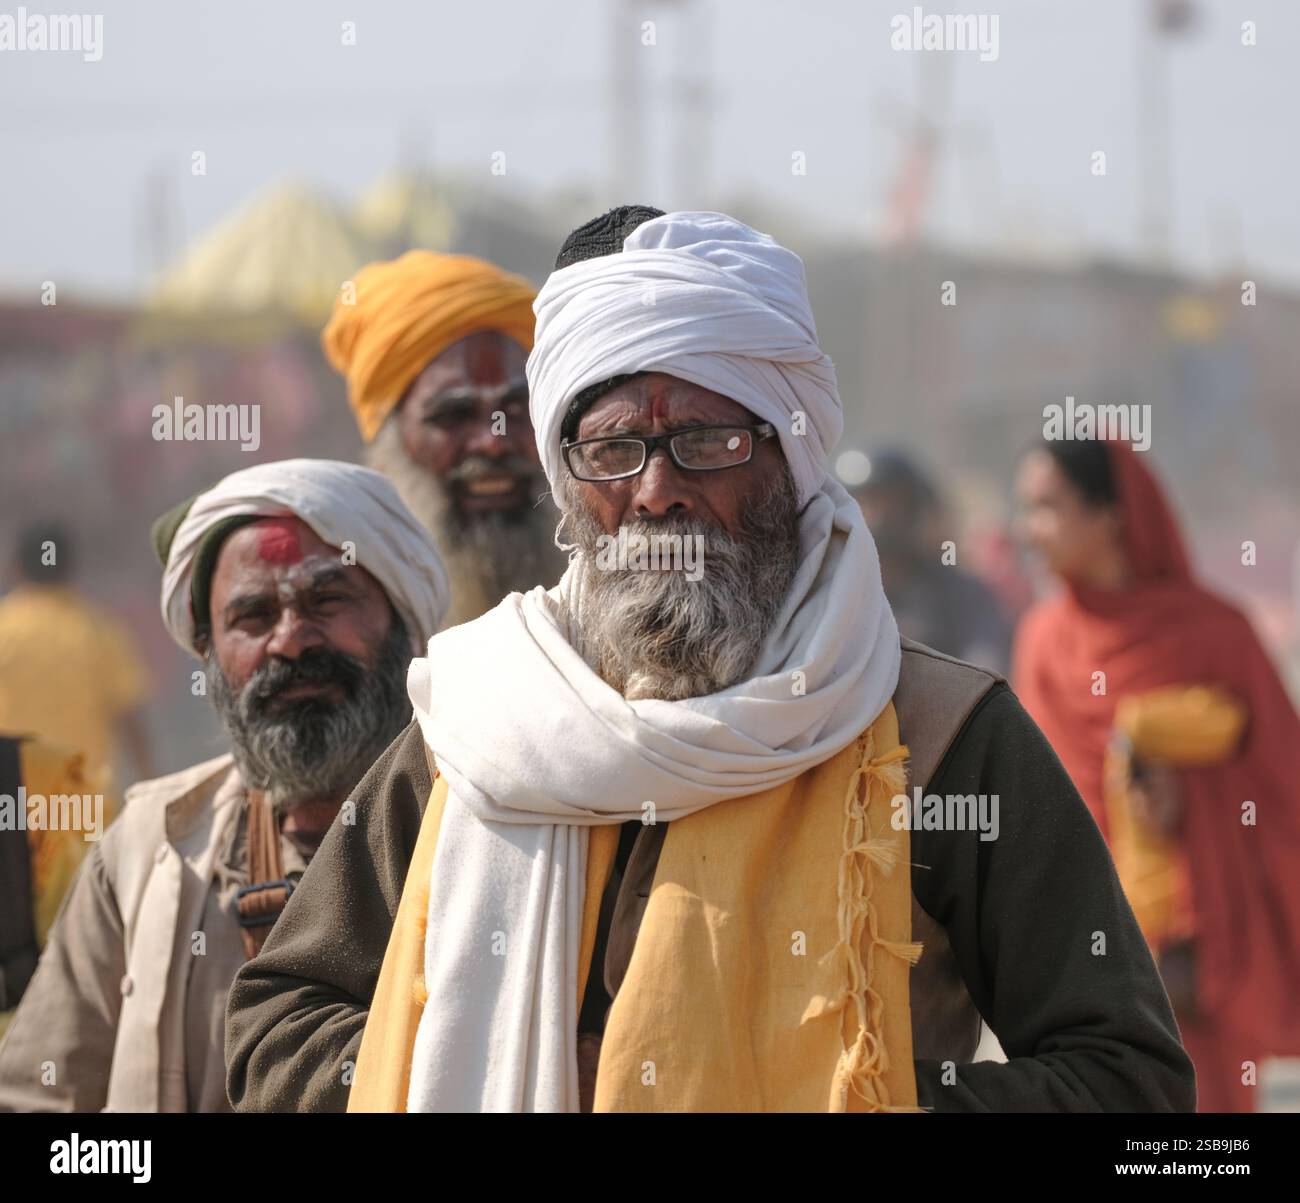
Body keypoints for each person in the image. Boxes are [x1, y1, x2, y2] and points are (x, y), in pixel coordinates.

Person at [226, 208, 1193, 1114]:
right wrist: (462, 1062)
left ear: (790, 460)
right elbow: (277, 1019)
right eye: (613, 450)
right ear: (569, 486)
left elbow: (1128, 1076)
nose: (656, 492)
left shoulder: (938, 733)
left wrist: (843, 1093)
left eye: (706, 442)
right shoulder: (482, 719)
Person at [0, 459, 448, 1112]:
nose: (290, 642)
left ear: (403, 620)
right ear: (208, 653)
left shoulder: (489, 825)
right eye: (253, 616)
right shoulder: (148, 851)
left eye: (326, 600)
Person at [1013, 437, 1300, 1112]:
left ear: (1112, 514)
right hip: (1088, 957)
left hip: (1203, 956)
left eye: (1048, 507)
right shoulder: (1044, 640)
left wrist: (1197, 805)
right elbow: (1038, 808)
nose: (1029, 530)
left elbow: (1285, 785)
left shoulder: (1215, 632)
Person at [323, 250, 566, 626]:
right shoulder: (347, 620)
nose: (493, 442)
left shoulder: (610, 602)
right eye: (454, 415)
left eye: (517, 409)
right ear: (388, 440)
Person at [0, 523, 153, 789]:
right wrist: (151, 785)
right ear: (69, 567)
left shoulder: (5, 630)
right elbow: (130, 721)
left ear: (17, 568)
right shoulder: (98, 630)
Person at [845, 450, 1013, 673]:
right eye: (867, 503)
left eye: (893, 504)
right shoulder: (833, 595)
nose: (880, 517)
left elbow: (984, 667)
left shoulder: (959, 593)